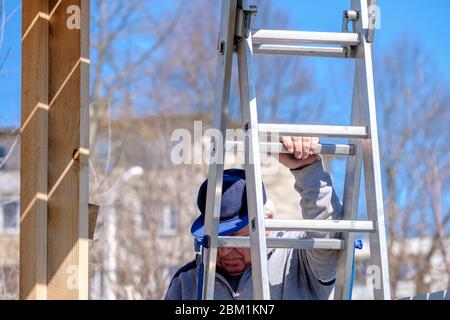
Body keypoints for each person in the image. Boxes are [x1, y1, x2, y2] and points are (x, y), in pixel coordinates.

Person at [165, 136, 343, 300]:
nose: (225, 252)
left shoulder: (297, 256)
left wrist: (307, 168)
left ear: (267, 223)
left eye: (237, 239)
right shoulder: (187, 281)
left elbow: (326, 241)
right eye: (217, 240)